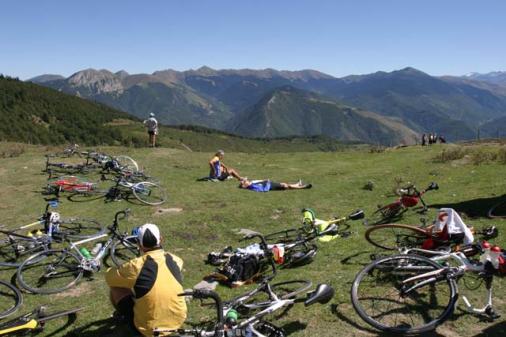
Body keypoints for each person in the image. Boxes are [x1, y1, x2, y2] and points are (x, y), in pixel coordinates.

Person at [105, 224, 187, 336]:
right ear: (161, 239)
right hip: (178, 322)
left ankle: (125, 316)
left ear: (139, 244)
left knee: (116, 287)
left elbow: (110, 278)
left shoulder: (136, 266)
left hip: (149, 330)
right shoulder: (176, 260)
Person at [239, 178, 312, 192]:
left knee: (285, 185)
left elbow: (260, 181)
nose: (246, 181)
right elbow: (265, 190)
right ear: (245, 185)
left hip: (270, 184)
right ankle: (303, 187)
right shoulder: (252, 187)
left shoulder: (252, 182)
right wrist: (267, 183)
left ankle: (297, 184)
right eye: (245, 182)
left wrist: (265, 180)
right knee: (285, 186)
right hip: (271, 186)